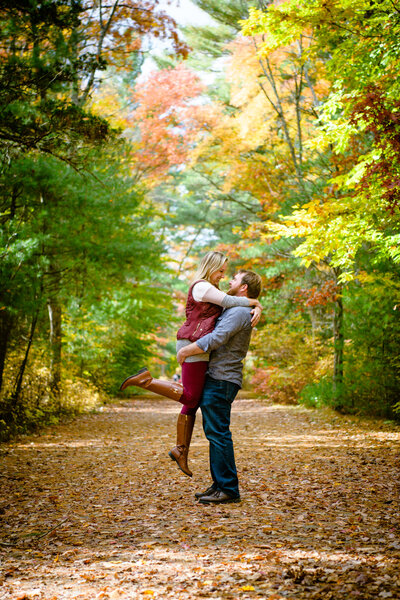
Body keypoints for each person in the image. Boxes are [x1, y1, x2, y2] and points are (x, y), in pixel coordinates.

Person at [119, 252, 262, 478]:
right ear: (211, 266)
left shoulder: (220, 295)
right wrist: (254, 303)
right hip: (193, 344)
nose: (225, 277)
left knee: (192, 401)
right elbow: (229, 303)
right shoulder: (202, 286)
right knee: (190, 397)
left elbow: (230, 306)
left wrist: (255, 306)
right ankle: (146, 381)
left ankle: (181, 450)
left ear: (243, 287)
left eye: (229, 275)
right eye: (222, 271)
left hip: (198, 347)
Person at [176, 269, 262, 505]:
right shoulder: (236, 308)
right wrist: (259, 306)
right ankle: (219, 485)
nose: (229, 280)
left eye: (234, 279)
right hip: (219, 377)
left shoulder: (238, 312)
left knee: (219, 434)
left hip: (222, 379)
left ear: (243, 287)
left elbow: (216, 338)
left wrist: (186, 350)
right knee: (215, 433)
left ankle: (228, 489)